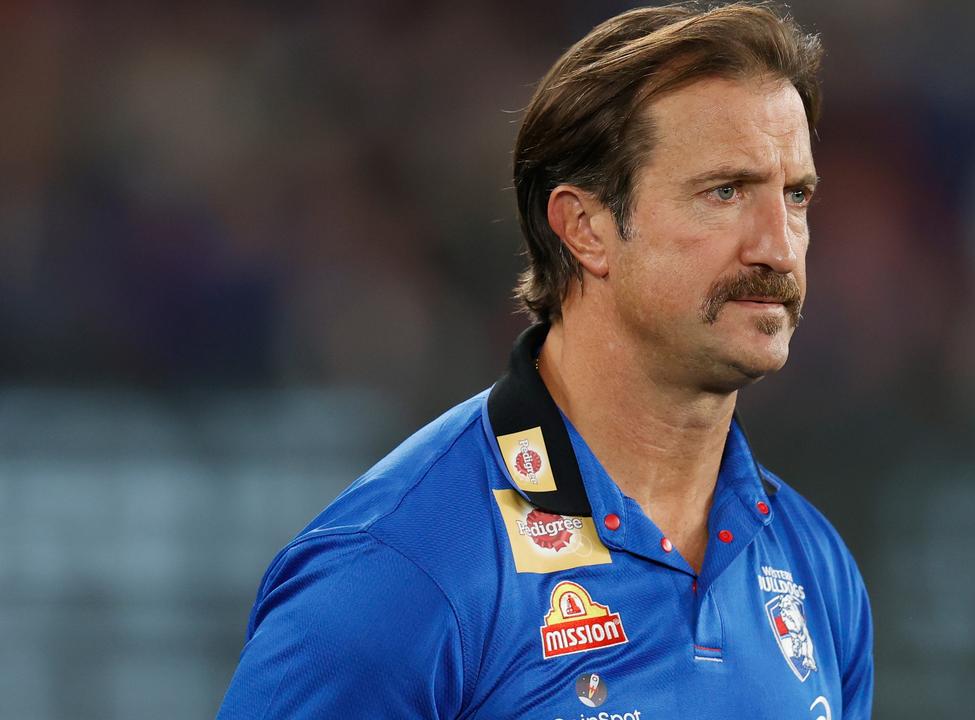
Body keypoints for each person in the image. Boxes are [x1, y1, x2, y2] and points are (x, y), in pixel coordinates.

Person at [216, 3, 873, 718]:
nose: (779, 247)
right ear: (585, 228)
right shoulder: (398, 571)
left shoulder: (815, 570)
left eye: (796, 196)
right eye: (725, 192)